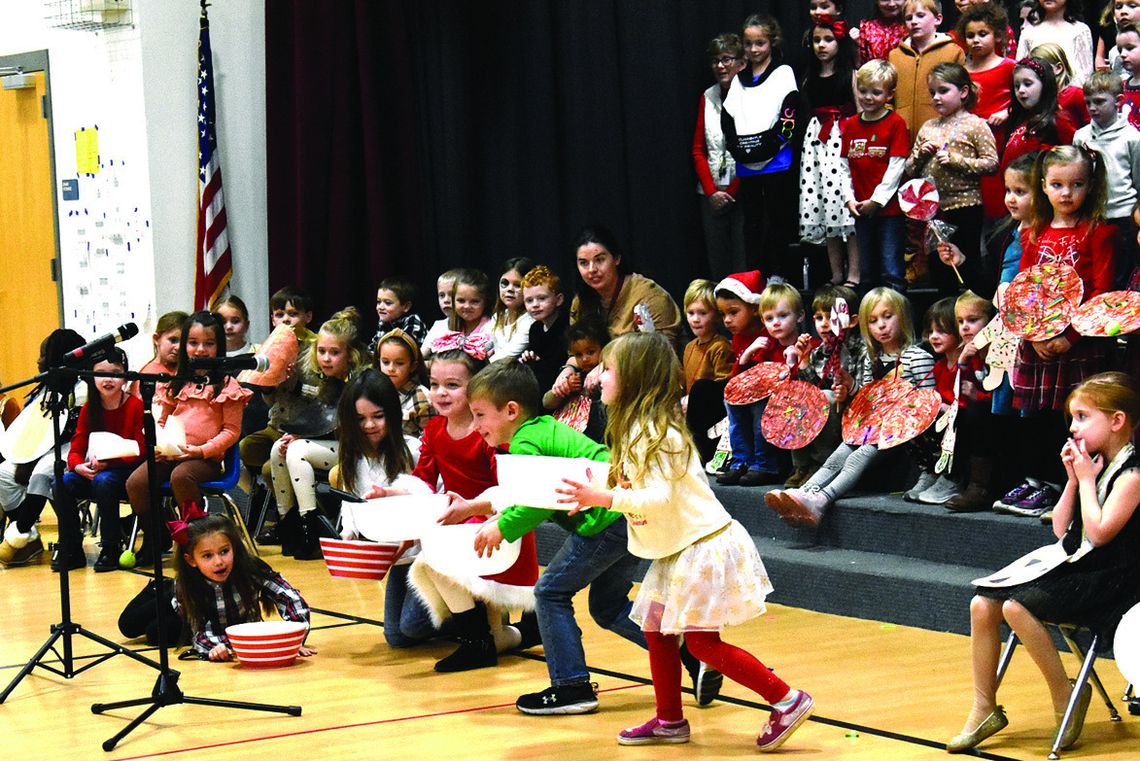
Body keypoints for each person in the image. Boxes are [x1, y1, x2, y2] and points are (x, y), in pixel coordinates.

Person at [556, 332, 813, 750]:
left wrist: (604, 498)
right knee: (657, 632)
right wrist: (593, 486)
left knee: (701, 642)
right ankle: (670, 720)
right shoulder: (638, 429)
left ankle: (786, 698)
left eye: (608, 368)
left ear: (634, 379)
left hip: (701, 547)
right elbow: (631, 479)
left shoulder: (658, 434)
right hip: (679, 549)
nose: (599, 376)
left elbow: (658, 497)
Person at [466, 360, 722, 714]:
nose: (475, 425)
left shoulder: (525, 441)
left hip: (604, 520)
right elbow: (529, 494)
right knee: (608, 606)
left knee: (550, 591)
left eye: (479, 415)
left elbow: (541, 499)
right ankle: (691, 654)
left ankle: (571, 687)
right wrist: (491, 512)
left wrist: (502, 527)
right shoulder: (542, 430)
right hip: (625, 515)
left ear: (511, 410)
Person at [947, 372, 1140, 753]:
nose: (1073, 427)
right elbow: (1059, 527)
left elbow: (1100, 534)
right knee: (982, 604)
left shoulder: (1132, 475)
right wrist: (1072, 480)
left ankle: (1066, 694)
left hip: (1115, 579)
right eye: (1072, 418)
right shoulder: (1094, 463)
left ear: (1117, 421)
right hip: (1080, 566)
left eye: (1083, 417)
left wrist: (1086, 480)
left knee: (1018, 607)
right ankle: (984, 706)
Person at [402, 341, 539, 672]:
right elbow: (422, 478)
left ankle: (475, 643)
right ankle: (522, 633)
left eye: (452, 385)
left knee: (431, 562)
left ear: (474, 388)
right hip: (460, 522)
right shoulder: (434, 429)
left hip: (493, 523)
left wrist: (476, 514)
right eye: (434, 385)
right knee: (494, 633)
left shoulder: (488, 435)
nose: (441, 393)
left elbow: (506, 489)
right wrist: (391, 494)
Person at [1000, 145, 1117, 517]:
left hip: (1078, 344)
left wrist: (1070, 336)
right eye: (1058, 184)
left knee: (1076, 417)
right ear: (1044, 187)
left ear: (1091, 186)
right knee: (1039, 414)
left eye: (1077, 184)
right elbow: (1025, 288)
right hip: (1039, 341)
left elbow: (1102, 291)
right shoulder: (1034, 233)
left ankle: (1069, 484)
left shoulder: (1098, 233)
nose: (1067, 193)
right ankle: (1038, 482)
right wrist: (1035, 336)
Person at [766, 287, 935, 525]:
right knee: (840, 453)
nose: (882, 326)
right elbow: (866, 397)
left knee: (860, 455)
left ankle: (822, 499)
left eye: (888, 317)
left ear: (904, 317)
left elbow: (928, 404)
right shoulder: (871, 358)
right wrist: (853, 389)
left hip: (900, 433)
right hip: (872, 426)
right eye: (874, 321)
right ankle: (803, 492)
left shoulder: (918, 358)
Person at [125, 311, 251, 567]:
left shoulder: (227, 385)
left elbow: (231, 432)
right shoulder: (176, 382)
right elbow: (161, 419)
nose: (200, 350)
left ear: (219, 346)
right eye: (193, 343)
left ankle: (195, 541)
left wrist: (199, 451)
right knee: (136, 482)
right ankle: (155, 536)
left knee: (181, 476)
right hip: (172, 452)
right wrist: (159, 444)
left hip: (203, 459)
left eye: (209, 343)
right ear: (185, 346)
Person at [332, 369, 433, 649]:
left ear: (392, 413)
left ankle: (466, 613)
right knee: (397, 637)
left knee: (412, 626)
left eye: (378, 416)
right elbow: (351, 504)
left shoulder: (412, 450)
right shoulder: (352, 458)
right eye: (360, 419)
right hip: (397, 560)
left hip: (425, 557)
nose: (369, 425)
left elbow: (431, 499)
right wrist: (347, 537)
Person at [270, 307, 370, 560]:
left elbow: (348, 429)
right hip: (334, 445)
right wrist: (298, 433)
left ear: (350, 355)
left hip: (359, 451)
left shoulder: (360, 383)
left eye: (334, 353)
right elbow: (319, 420)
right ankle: (287, 523)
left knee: (297, 451)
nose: (326, 358)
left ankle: (311, 528)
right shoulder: (326, 381)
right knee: (278, 449)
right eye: (322, 351)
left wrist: (303, 439)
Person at [721, 14, 806, 280]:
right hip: (747, 163)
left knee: (779, 219)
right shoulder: (738, 79)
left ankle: (780, 274)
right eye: (748, 44)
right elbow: (728, 117)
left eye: (760, 43)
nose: (754, 49)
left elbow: (790, 113)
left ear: (772, 42)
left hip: (776, 159)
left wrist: (773, 144)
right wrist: (737, 147)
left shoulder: (783, 74)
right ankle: (755, 274)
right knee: (753, 223)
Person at [903, 62, 999, 294]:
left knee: (966, 263)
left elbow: (992, 163)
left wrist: (957, 161)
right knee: (939, 265)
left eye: (943, 91)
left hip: (966, 206)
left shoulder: (976, 125)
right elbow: (910, 169)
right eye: (932, 92)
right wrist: (920, 155)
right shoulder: (928, 127)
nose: (936, 98)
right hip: (933, 211)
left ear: (963, 92)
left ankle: (973, 312)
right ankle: (945, 316)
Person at [173, 513, 312, 661]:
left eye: (224, 551)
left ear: (234, 547)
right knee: (156, 628)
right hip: (172, 611)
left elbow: (289, 597)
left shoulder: (250, 568)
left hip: (237, 636)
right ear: (191, 560)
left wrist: (294, 639)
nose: (219, 561)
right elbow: (197, 631)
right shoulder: (186, 584)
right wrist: (216, 648)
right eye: (208, 556)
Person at [0, 329, 86, 567]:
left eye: (44, 354)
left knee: (43, 474)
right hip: (44, 450)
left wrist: (31, 462)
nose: (38, 361)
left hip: (75, 448)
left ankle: (64, 542)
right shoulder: (45, 388)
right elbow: (32, 431)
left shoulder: (82, 389)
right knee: (3, 474)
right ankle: (29, 541)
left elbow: (70, 433)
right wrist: (24, 458)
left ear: (59, 357)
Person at [58, 348, 145, 571]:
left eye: (115, 373)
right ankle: (72, 548)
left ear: (125, 376)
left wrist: (109, 462)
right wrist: (78, 466)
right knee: (61, 483)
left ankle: (110, 547)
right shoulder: (89, 409)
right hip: (95, 471)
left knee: (104, 480)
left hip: (125, 471)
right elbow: (76, 449)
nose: (108, 379)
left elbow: (140, 449)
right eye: (101, 373)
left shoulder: (135, 406)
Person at [799, 13, 859, 288]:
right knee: (826, 208)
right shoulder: (810, 78)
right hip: (817, 144)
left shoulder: (851, 75)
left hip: (843, 137)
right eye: (816, 40)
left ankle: (855, 272)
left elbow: (860, 111)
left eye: (828, 40)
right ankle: (836, 272)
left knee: (848, 209)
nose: (821, 45)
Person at [839, 59, 910, 292]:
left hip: (889, 211)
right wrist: (849, 199)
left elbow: (896, 167)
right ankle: (867, 322)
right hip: (860, 210)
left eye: (876, 93)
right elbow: (843, 166)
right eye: (863, 91)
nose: (868, 97)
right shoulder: (850, 125)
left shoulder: (896, 124)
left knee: (891, 270)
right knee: (866, 273)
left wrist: (876, 201)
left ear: (889, 95)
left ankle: (898, 323)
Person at [788, 284, 864, 487]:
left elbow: (867, 392)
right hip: (824, 414)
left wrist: (848, 390)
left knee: (826, 398)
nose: (824, 324)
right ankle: (802, 464)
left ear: (853, 320)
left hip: (851, 417)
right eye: (819, 318)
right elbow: (809, 390)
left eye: (831, 318)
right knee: (797, 396)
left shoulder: (861, 350)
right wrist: (804, 360)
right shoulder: (820, 352)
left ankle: (823, 465)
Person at [1073, 69, 1140, 288]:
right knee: (1099, 276)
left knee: (1123, 276)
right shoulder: (1081, 137)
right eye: (1088, 102)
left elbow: (1138, 180)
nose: (1092, 108)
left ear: (1118, 101)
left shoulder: (1132, 137)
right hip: (1092, 216)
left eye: (1100, 101)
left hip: (1123, 217)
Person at [713, 271, 781, 486]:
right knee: (730, 400)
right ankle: (741, 460)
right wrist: (744, 357)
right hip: (749, 390)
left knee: (758, 407)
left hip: (770, 393)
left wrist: (751, 353)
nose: (727, 320)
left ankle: (764, 464)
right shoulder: (738, 337)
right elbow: (736, 377)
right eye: (723, 314)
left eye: (733, 312)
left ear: (754, 308)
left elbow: (770, 373)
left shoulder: (767, 333)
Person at [567, 225, 681, 343]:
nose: (592, 269)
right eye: (584, 263)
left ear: (616, 259)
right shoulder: (580, 302)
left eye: (599, 260)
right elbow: (576, 352)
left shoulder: (650, 296)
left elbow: (660, 354)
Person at [693, 33, 748, 275]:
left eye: (727, 59)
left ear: (741, 63)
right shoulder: (708, 96)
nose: (720, 66)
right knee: (718, 265)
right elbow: (698, 150)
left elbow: (754, 152)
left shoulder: (752, 95)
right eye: (716, 60)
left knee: (743, 263)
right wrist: (712, 191)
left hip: (744, 192)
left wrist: (732, 192)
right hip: (711, 194)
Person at [902, 297, 964, 504]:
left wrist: (946, 407)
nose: (934, 337)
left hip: (959, 422)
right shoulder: (939, 366)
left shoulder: (965, 365)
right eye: (931, 331)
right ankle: (931, 470)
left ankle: (952, 477)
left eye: (942, 331)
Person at [959, 3, 1017, 221]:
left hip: (999, 142)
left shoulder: (1009, 66)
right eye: (970, 35)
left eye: (983, 34)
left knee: (998, 204)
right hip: (970, 146)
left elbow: (1023, 101)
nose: (976, 40)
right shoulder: (963, 73)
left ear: (997, 36)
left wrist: (1006, 112)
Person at [943, 289, 999, 511]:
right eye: (960, 321)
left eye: (973, 320)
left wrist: (980, 396)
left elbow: (999, 391)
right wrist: (963, 363)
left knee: (975, 411)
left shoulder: (999, 350)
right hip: (975, 415)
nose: (964, 327)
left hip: (997, 416)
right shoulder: (967, 353)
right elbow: (958, 391)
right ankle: (954, 479)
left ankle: (980, 486)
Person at [888, 0, 966, 141]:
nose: (914, 22)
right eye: (908, 18)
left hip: (941, 135)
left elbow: (963, 96)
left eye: (920, 15)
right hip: (901, 137)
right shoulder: (895, 56)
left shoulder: (953, 52)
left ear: (938, 19)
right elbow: (888, 94)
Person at [1001, 58, 1077, 189]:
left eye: (1028, 84)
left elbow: (1073, 160)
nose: (1021, 90)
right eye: (1017, 85)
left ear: (1045, 85)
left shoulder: (1058, 120)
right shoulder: (1017, 120)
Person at [681, 279, 734, 464]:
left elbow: (723, 386)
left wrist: (693, 398)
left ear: (717, 316)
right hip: (690, 411)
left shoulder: (720, 346)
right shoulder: (689, 347)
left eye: (702, 313)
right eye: (691, 313)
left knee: (702, 388)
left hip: (711, 415)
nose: (695, 319)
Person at [544, 318, 609, 443]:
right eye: (578, 354)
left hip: (589, 439)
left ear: (604, 349)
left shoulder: (607, 377)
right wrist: (564, 388)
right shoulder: (573, 375)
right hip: (560, 434)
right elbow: (546, 403)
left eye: (590, 352)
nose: (584, 359)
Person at [1016, 0, 1094, 86]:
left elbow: (1086, 76)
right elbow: (1019, 71)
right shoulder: (1028, 32)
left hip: (1071, 95)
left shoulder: (1080, 31)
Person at [519, 265, 569, 395]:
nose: (535, 305)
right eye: (529, 300)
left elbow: (558, 364)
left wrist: (537, 363)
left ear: (558, 300)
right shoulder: (535, 329)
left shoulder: (566, 327)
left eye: (542, 298)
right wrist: (528, 358)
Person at [375, 328, 432, 438]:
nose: (391, 368)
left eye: (399, 363)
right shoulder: (374, 390)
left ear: (413, 366)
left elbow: (429, 441)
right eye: (385, 362)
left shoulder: (422, 398)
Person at [1032, 42, 1092, 128]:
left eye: (1040, 68)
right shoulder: (1039, 96)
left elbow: (1091, 124)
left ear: (1058, 68)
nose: (1034, 73)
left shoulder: (1075, 94)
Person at [488, 257, 537, 359]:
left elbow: (506, 356)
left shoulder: (530, 321)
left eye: (518, 285)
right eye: (505, 283)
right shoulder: (498, 317)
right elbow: (485, 346)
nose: (509, 289)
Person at [368, 277, 428, 353]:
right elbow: (374, 349)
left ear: (406, 306)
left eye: (388, 303)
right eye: (378, 302)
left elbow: (402, 352)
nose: (380, 307)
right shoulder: (384, 321)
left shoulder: (413, 321)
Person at [420, 268, 461, 357]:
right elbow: (420, 358)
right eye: (442, 295)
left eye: (452, 295)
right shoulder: (438, 326)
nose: (446, 300)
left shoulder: (477, 327)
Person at [858, 0, 907, 64]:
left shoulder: (912, 27)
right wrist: (856, 46)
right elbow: (860, 66)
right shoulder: (866, 28)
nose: (891, 4)